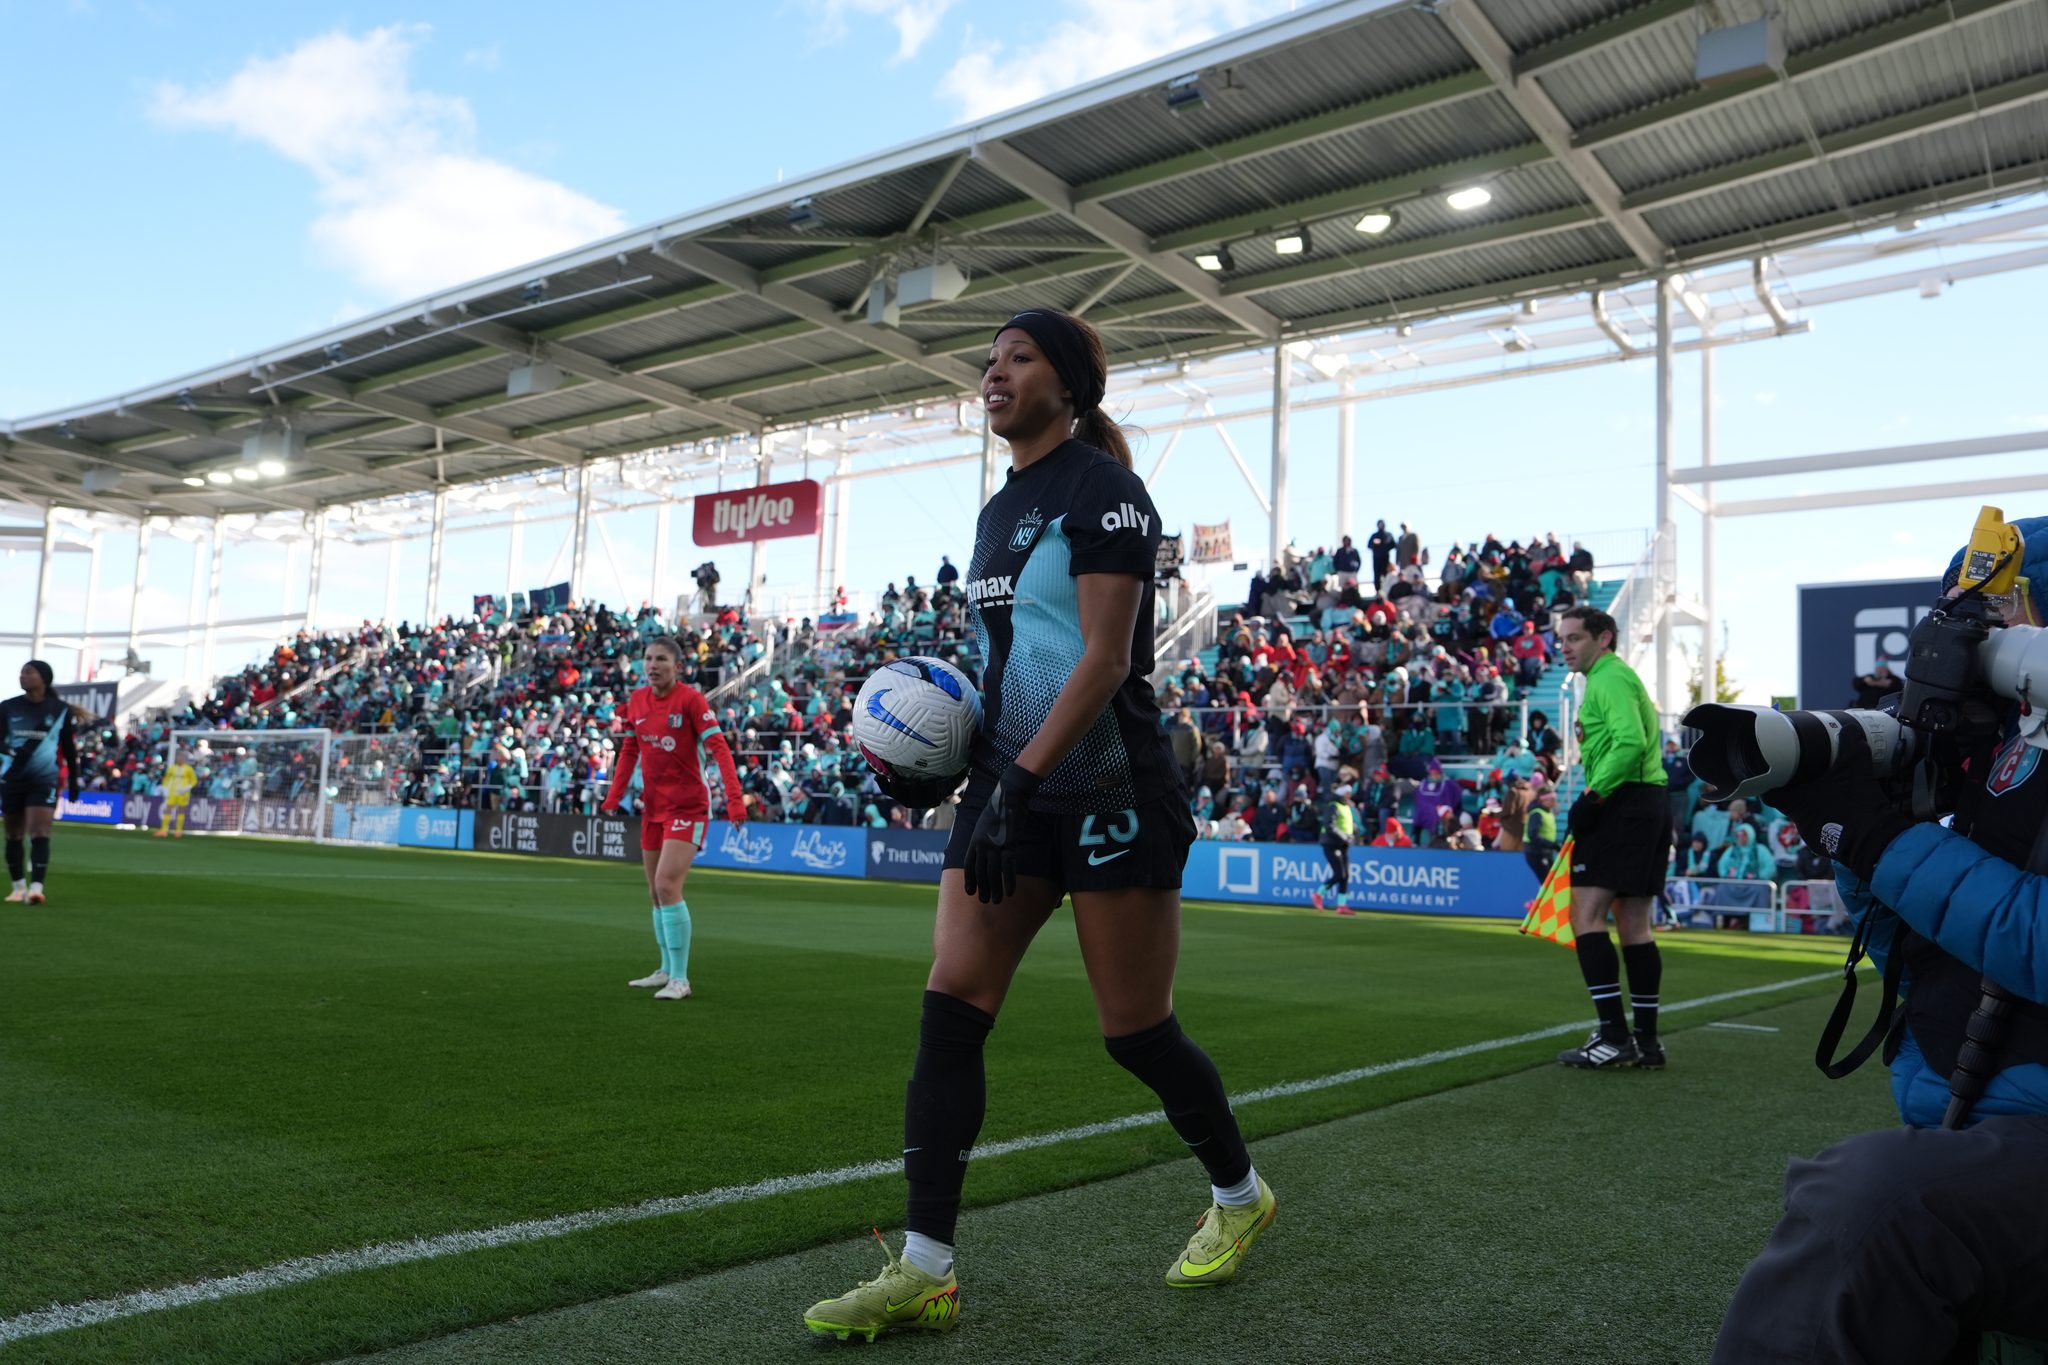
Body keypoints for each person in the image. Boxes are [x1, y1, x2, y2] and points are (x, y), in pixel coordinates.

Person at [804, 309, 1273, 1345]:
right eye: (989, 361)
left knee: (1135, 1032)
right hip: (1008, 787)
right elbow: (1010, 659)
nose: (994, 373)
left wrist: (1017, 780)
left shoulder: (1106, 493)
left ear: (1069, 386)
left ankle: (1239, 1195)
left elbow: (1103, 658)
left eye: (1018, 358)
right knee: (950, 1005)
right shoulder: (997, 510)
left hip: (1110, 792)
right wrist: (952, 760)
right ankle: (925, 1269)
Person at [1715, 513, 2048, 1362]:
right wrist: (1857, 830)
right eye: (1955, 615)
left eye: (1996, 612)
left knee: (1870, 1204)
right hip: (1974, 1108)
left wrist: (1880, 836)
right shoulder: (1997, 756)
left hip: (2017, 1123)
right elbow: (1919, 953)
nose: (1963, 643)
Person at [1554, 606, 1672, 1069]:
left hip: (1624, 802)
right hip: (1645, 801)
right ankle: (1646, 1042)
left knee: (1584, 915)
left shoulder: (1608, 678)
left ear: (1603, 638)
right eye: (1562, 639)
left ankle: (1614, 1036)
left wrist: (1594, 795)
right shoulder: (1612, 677)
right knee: (1634, 923)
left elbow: (1630, 742)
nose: (1564, 647)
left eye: (1574, 638)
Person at [598, 635, 746, 1002]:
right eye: (648, 658)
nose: (652, 665)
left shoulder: (691, 701)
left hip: (688, 807)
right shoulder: (636, 701)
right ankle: (665, 969)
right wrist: (614, 795)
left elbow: (719, 749)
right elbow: (629, 750)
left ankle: (680, 979)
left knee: (667, 885)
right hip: (654, 807)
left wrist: (734, 801)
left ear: (677, 667)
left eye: (661, 659)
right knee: (655, 891)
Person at [1, 661, 80, 905]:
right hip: (12, 777)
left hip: (43, 778)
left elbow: (68, 747)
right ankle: (18, 887)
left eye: (28, 672)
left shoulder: (60, 710)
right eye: (21, 672)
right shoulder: (7, 706)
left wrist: (74, 780)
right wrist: (10, 751)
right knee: (13, 833)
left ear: (43, 678)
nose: (22, 676)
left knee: (40, 831)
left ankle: (36, 888)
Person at [1310, 783, 1359, 913]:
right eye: (1347, 793)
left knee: (1345, 875)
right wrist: (1344, 837)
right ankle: (1319, 894)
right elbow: (1329, 826)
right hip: (1332, 843)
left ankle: (1341, 905)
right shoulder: (1333, 806)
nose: (1349, 796)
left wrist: (1353, 834)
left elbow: (1347, 824)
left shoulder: (1346, 807)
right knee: (1339, 874)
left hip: (1343, 844)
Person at [157, 752, 198, 838]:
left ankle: (178, 831)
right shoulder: (172, 768)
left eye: (181, 758)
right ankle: (163, 830)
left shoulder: (189, 769)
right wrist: (165, 789)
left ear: (184, 759)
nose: (179, 759)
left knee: (181, 810)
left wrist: (187, 787)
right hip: (172, 792)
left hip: (183, 793)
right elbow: (166, 779)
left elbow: (194, 780)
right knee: (168, 809)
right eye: (178, 758)